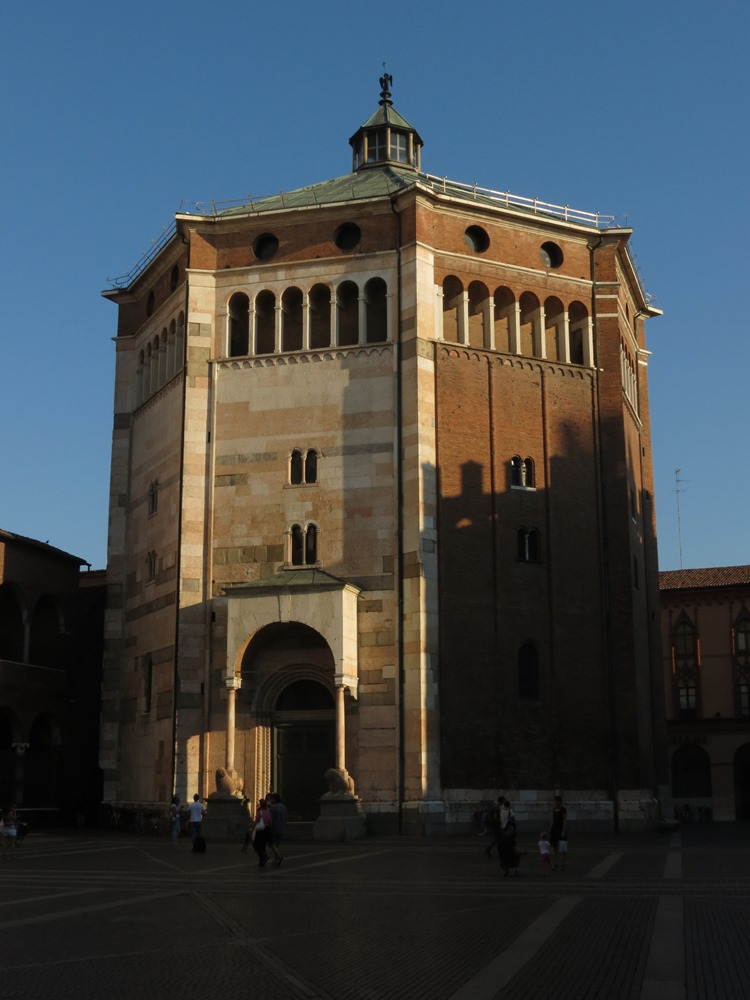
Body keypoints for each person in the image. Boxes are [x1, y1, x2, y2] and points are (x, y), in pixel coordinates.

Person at [267, 792, 287, 868]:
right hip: (281, 827)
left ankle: (279, 856)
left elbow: (270, 819)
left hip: (274, 828)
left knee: (272, 844)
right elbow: (285, 818)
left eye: (271, 799)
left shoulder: (272, 807)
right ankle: (275, 860)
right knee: (276, 844)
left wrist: (268, 827)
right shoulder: (283, 806)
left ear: (274, 800)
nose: (270, 800)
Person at [251, 798, 272, 868]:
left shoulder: (260, 812)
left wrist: (253, 828)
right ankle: (261, 861)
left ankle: (264, 856)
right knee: (263, 846)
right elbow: (270, 822)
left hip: (261, 831)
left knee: (256, 845)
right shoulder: (268, 812)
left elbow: (256, 821)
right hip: (267, 830)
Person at [550, 795, 568, 871]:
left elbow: (564, 821)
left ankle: (563, 864)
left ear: (559, 802)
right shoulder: (554, 809)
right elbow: (552, 820)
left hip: (561, 831)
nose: (554, 803)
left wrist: (563, 831)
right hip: (554, 831)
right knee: (554, 847)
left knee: (562, 848)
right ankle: (555, 863)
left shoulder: (563, 810)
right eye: (554, 801)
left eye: (556, 801)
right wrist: (550, 827)